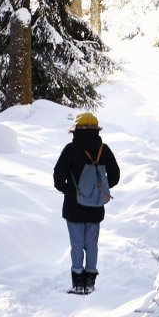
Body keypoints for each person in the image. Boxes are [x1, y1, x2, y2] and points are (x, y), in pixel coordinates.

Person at [53, 112, 120, 294]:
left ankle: (77, 283)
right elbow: (115, 176)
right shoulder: (103, 150)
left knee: (76, 243)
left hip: (73, 206)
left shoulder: (70, 149)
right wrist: (100, 188)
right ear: (96, 129)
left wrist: (69, 190)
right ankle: (90, 282)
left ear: (76, 129)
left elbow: (58, 177)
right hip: (96, 206)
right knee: (92, 243)